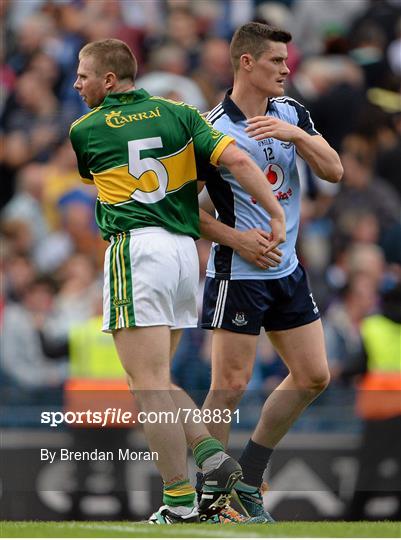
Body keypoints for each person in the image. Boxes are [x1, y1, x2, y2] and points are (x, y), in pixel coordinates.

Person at [69, 38, 285, 524]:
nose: (76, 83)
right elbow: (241, 163)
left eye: (83, 75)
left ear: (109, 79)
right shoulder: (182, 113)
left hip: (136, 249)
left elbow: (102, 179)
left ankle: (200, 472)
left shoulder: (85, 129)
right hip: (186, 254)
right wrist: (274, 215)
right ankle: (185, 497)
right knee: (155, 382)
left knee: (146, 384)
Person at [199, 22, 343, 520]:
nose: (287, 68)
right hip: (238, 274)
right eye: (277, 61)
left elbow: (334, 170)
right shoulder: (212, 126)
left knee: (313, 376)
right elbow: (180, 209)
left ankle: (250, 476)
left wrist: (296, 136)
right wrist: (237, 237)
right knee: (230, 386)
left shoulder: (291, 112)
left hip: (288, 270)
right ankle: (211, 499)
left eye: (287, 61)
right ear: (246, 63)